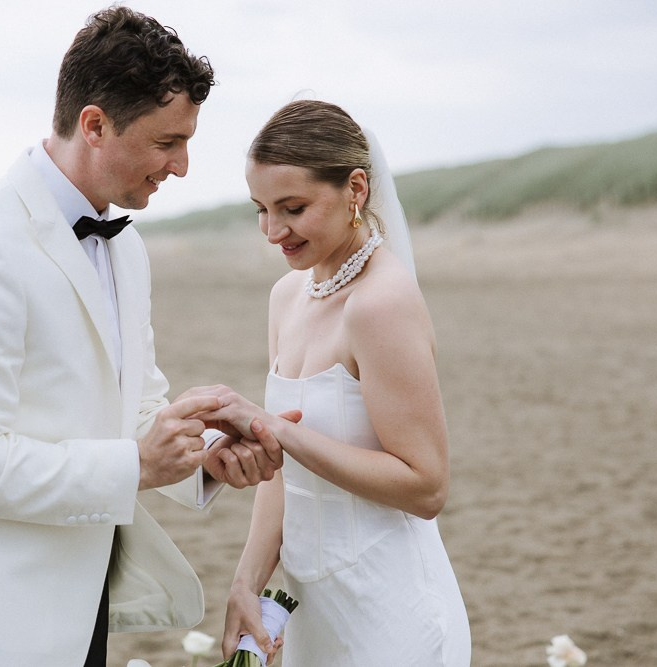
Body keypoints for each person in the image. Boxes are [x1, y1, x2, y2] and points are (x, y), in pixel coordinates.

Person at [0, 7, 283, 665]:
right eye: (167, 142)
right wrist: (138, 464)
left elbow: (135, 408)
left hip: (86, 617)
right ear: (94, 125)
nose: (182, 165)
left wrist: (204, 453)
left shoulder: (127, 249)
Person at [186, 100, 471, 665]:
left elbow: (426, 487)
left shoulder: (380, 304)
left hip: (390, 609)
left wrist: (276, 429)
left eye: (293, 208)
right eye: (261, 209)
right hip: (310, 610)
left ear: (355, 189)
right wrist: (246, 584)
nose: (273, 231)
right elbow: (281, 474)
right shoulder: (286, 296)